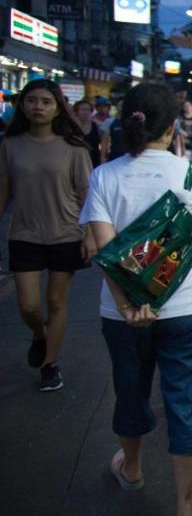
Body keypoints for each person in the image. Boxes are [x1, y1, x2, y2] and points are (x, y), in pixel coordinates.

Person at [80, 83, 192, 516]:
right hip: (184, 310)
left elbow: (106, 252)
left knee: (130, 388)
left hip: (120, 316)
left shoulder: (104, 176)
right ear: (173, 128)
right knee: (186, 401)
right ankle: (186, 508)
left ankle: (132, 467)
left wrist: (128, 303)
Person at [0, 79, 94, 391]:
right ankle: (39, 335)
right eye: (31, 100)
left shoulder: (74, 147)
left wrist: (89, 234)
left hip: (66, 232)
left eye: (45, 101)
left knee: (56, 301)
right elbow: (3, 192)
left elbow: (86, 193)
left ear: (57, 108)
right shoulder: (10, 145)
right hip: (23, 233)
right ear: (22, 105)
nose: (38, 106)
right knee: (27, 306)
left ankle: (50, 364)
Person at [72, 98, 103, 166]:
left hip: (93, 160)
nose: (85, 112)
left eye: (88, 110)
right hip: (75, 159)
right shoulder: (71, 126)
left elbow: (102, 144)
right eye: (82, 109)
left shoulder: (97, 126)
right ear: (77, 111)